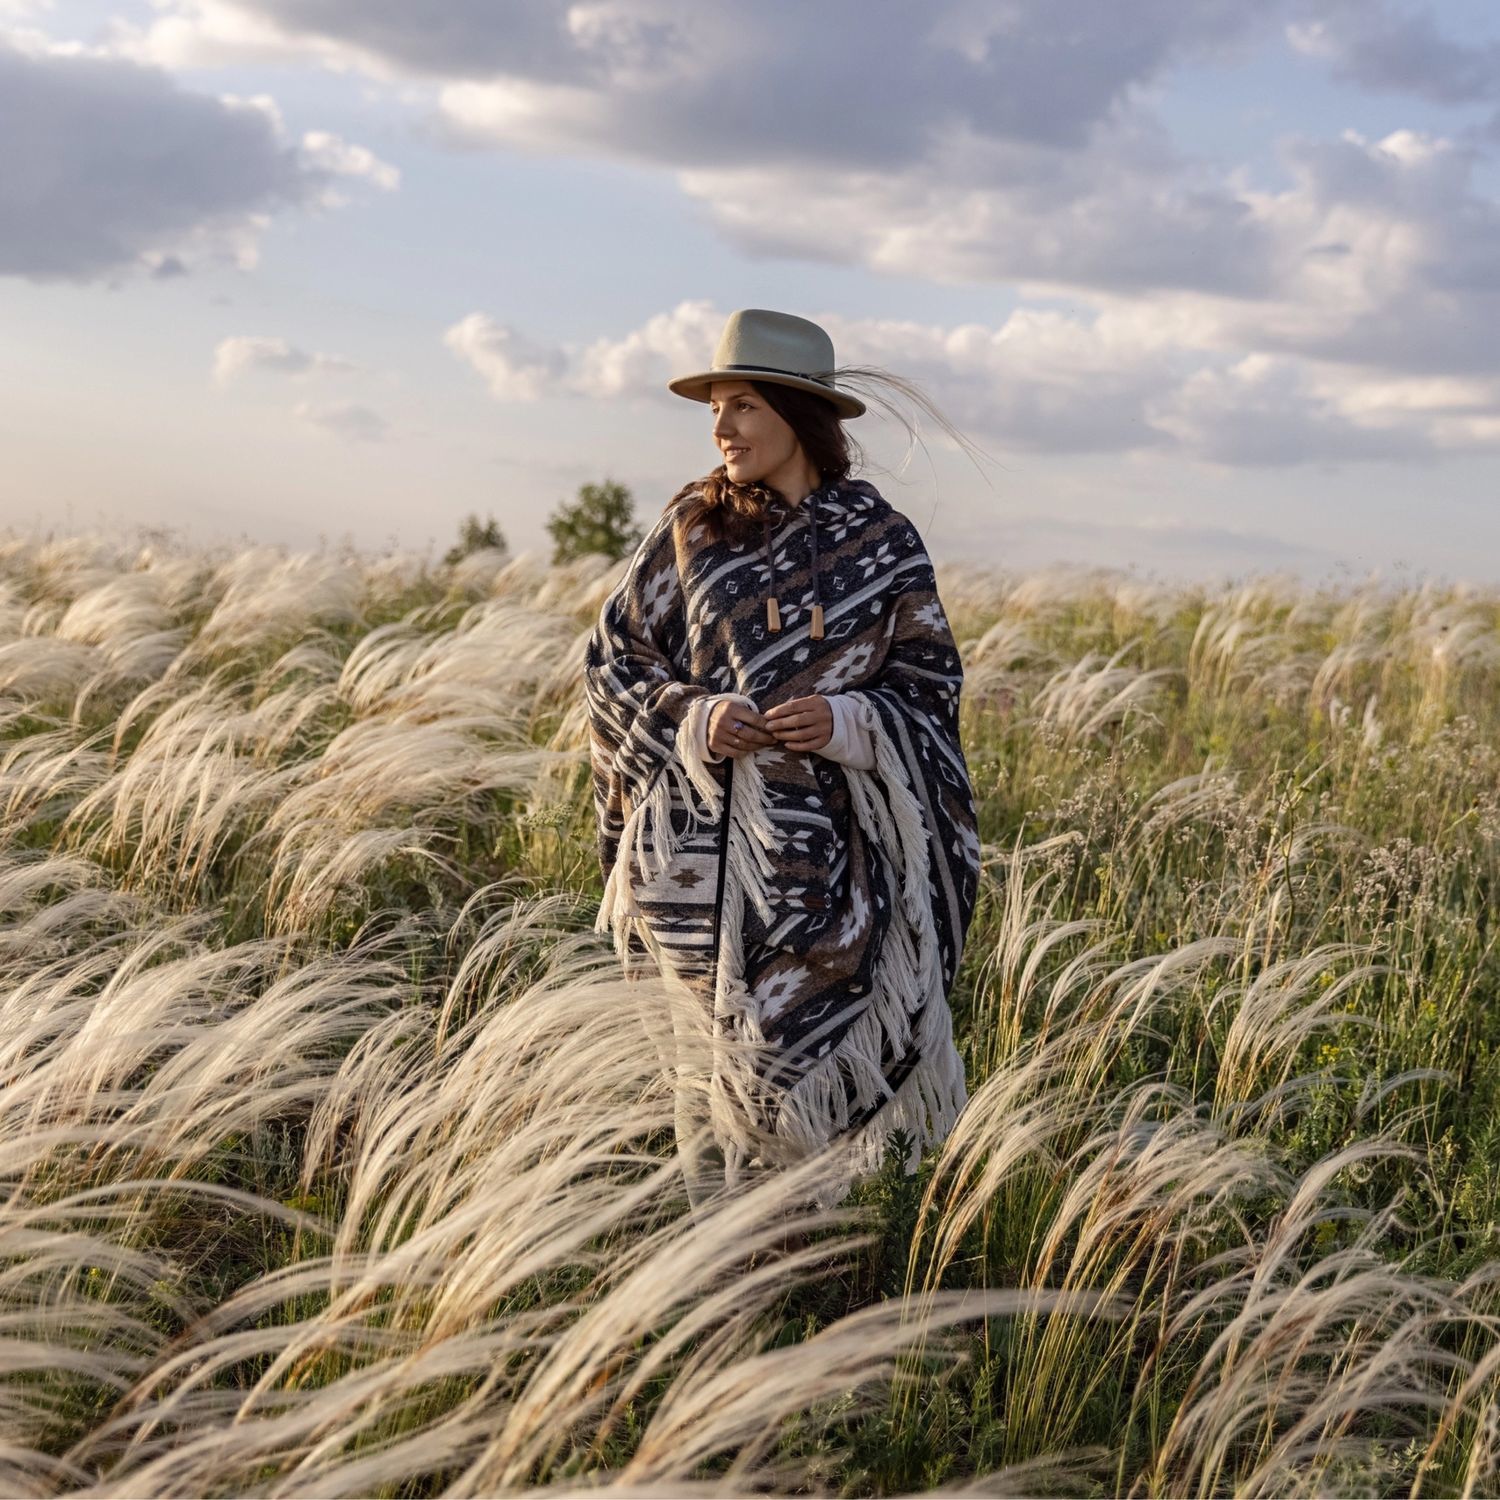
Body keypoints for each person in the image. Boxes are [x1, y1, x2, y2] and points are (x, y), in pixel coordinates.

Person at [583, 307, 981, 1208]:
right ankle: (722, 1264)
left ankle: (814, 1260)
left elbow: (930, 691)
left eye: (742, 406)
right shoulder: (691, 530)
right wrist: (698, 716)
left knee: (816, 1081)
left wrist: (847, 722)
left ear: (799, 417)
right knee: (719, 1083)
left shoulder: (882, 543)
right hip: (703, 864)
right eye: (715, 409)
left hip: (838, 864)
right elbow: (613, 663)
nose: (721, 429)